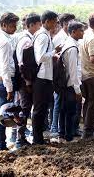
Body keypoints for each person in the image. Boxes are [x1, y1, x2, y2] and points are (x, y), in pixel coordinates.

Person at [0, 12, 19, 150]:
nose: (15, 28)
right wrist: (9, 88)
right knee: (2, 116)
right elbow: (5, 68)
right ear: (3, 25)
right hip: (3, 82)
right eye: (13, 26)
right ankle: (1, 146)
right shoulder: (5, 42)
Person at [15, 13, 42, 148]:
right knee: (25, 108)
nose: (40, 27)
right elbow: (23, 64)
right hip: (25, 80)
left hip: (25, 79)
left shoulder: (27, 37)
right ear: (32, 25)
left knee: (25, 107)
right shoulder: (26, 40)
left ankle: (22, 137)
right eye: (39, 24)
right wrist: (28, 82)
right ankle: (20, 139)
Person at [32, 10, 58, 144]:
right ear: (47, 21)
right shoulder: (42, 36)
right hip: (41, 76)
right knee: (39, 109)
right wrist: (54, 52)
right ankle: (37, 139)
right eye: (54, 21)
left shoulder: (45, 35)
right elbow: (40, 57)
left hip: (46, 76)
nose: (56, 24)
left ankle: (39, 137)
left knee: (42, 108)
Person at [58, 21, 84, 142]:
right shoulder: (72, 48)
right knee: (70, 112)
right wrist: (77, 90)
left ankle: (62, 133)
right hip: (71, 85)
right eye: (81, 30)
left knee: (64, 110)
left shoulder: (68, 43)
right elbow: (73, 71)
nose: (83, 33)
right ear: (73, 32)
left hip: (66, 84)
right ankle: (68, 136)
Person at [51, 13, 75, 136]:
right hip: (59, 76)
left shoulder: (68, 36)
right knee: (58, 101)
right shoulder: (59, 38)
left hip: (66, 75)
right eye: (69, 24)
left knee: (64, 103)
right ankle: (55, 128)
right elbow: (55, 59)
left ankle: (63, 129)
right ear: (64, 24)